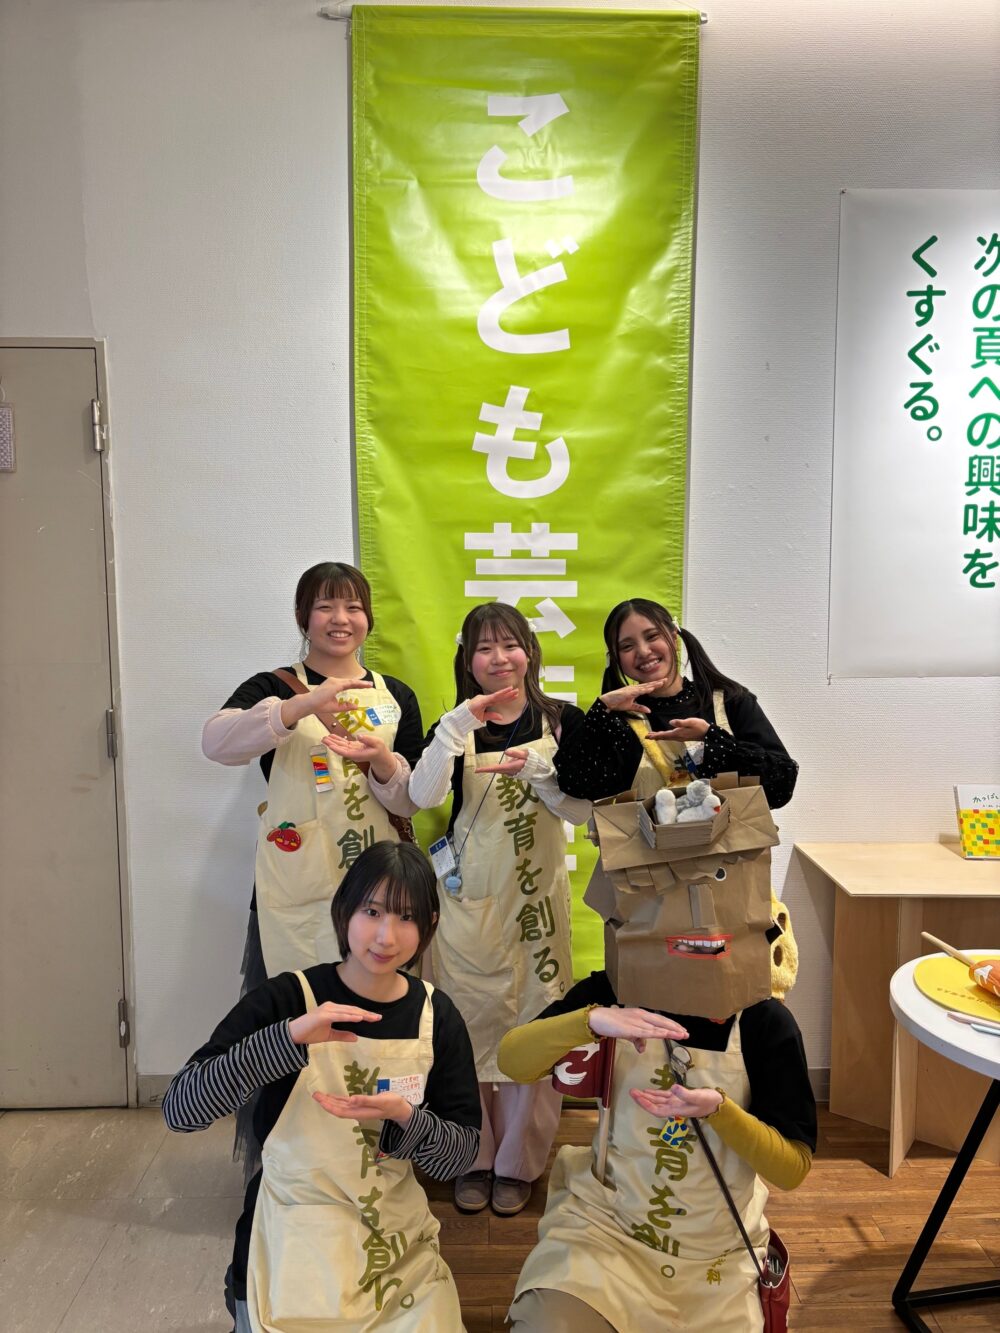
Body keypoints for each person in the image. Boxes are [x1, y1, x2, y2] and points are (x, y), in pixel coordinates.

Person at [498, 778, 816, 1333]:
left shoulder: (764, 1023)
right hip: (609, 1229)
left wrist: (719, 1110)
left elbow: (791, 1168)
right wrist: (589, 1020)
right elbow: (513, 1061)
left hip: (713, 1247)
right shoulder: (614, 991)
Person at [162, 841, 479, 1333]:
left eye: (406, 917)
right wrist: (286, 1039)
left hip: (390, 1236)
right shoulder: (288, 999)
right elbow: (182, 1110)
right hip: (291, 1229)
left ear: (429, 925)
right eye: (371, 911)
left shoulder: (437, 1017)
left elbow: (459, 1157)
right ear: (344, 910)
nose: (385, 935)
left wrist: (405, 1118)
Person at [395, 603, 591, 1217]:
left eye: (509, 644)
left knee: (534, 1026)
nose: (498, 658)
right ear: (468, 661)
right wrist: (454, 727)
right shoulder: (456, 726)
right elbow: (419, 796)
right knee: (470, 1027)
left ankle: (519, 1164)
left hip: (535, 908)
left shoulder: (561, 721)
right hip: (467, 903)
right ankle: (472, 1157)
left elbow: (583, 813)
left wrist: (540, 772)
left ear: (529, 651)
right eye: (484, 648)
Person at [202, 561, 424, 987]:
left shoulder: (396, 694)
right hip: (298, 882)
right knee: (295, 1007)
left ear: (368, 617)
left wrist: (382, 760)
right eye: (325, 607)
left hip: (378, 882)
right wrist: (300, 705)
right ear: (302, 617)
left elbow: (410, 801)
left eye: (353, 608)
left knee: (377, 1008)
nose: (341, 619)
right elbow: (216, 743)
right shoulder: (274, 686)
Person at [553, 597, 798, 812]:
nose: (643, 651)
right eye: (627, 646)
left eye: (652, 636)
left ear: (673, 636)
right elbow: (577, 786)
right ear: (615, 659)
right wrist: (600, 710)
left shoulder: (730, 700)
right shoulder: (617, 720)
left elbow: (781, 786)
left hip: (731, 851)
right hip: (646, 851)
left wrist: (712, 739)